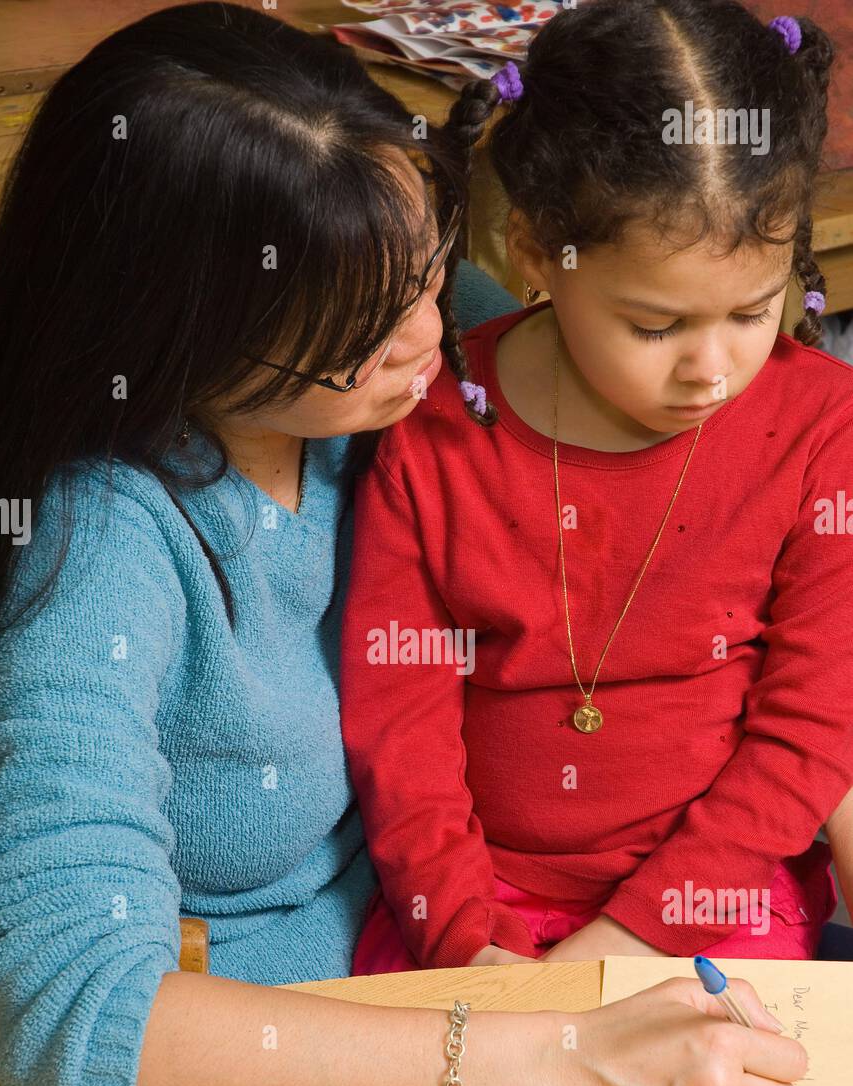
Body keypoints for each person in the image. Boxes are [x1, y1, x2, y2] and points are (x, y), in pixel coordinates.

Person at [0, 3, 810, 1086]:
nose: (432, 336)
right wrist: (557, 1060)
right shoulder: (106, 550)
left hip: (468, 975)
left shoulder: (425, 364)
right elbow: (71, 1012)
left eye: (432, 267)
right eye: (365, 328)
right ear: (185, 335)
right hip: (287, 1073)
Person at [339, 0, 853, 979]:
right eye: (654, 326)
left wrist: (622, 945)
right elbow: (398, 722)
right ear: (535, 255)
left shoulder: (819, 429)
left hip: (710, 902)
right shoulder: (437, 423)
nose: (711, 368)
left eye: (751, 310)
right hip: (467, 908)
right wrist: (463, 940)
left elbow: (809, 731)